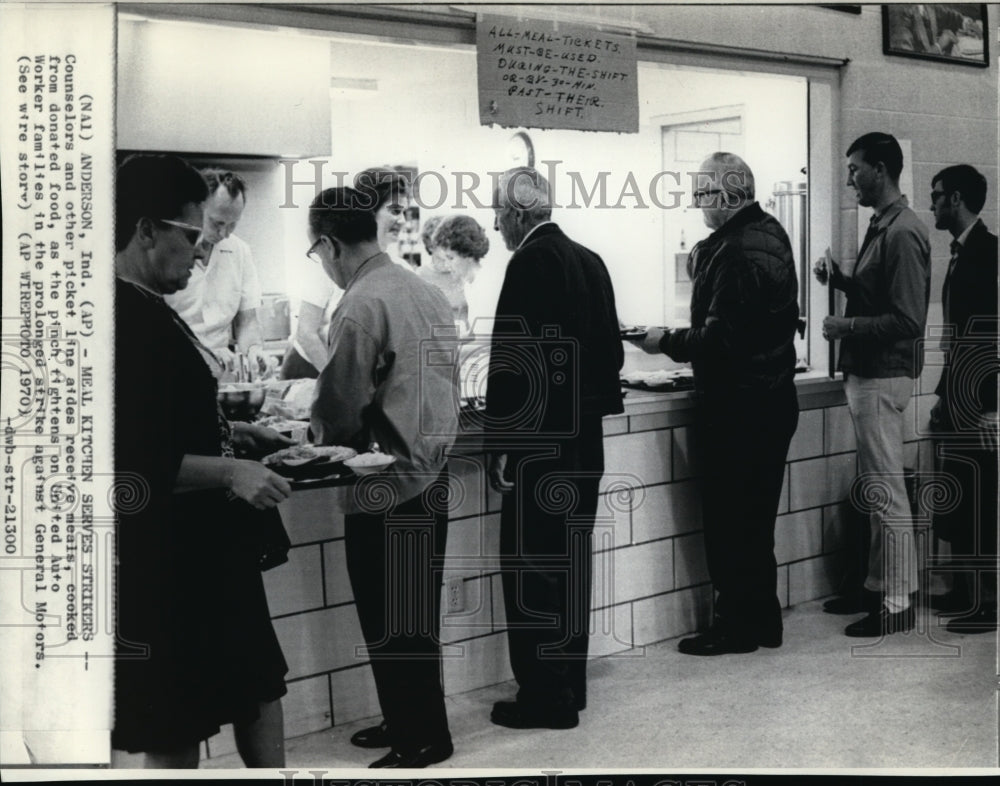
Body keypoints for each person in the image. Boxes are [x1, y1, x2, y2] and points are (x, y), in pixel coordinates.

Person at [113, 154, 293, 768]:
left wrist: (235, 431)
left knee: (255, 683)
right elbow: (127, 462)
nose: (200, 252)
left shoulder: (147, 306)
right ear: (144, 231)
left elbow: (164, 422)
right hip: (168, 558)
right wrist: (231, 472)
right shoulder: (119, 320)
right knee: (176, 713)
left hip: (207, 548)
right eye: (191, 236)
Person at [308, 187, 458, 768]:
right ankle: (408, 719)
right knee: (415, 617)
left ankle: (422, 740)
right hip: (432, 473)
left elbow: (343, 405)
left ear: (329, 243)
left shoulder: (360, 302)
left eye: (317, 254)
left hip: (385, 480)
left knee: (390, 618)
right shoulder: (425, 289)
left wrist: (315, 433)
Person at [634, 152, 800, 655]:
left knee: (730, 523)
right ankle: (763, 621)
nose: (696, 204)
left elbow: (717, 340)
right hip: (771, 399)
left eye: (702, 194)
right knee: (756, 521)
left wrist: (662, 341)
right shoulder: (770, 233)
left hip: (738, 407)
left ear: (727, 197)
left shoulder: (734, 251)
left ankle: (734, 628)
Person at [486, 167, 623, 728]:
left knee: (532, 571)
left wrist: (502, 443)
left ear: (518, 214)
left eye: (498, 216)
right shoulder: (591, 260)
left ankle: (546, 698)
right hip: (584, 443)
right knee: (570, 565)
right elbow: (611, 355)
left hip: (540, 445)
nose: (496, 228)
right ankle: (571, 686)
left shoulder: (528, 262)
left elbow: (513, 364)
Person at [813, 132, 931, 637]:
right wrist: (840, 280)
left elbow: (907, 319)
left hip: (883, 374)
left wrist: (847, 327)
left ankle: (899, 601)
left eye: (855, 169)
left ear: (880, 169)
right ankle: (879, 586)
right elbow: (877, 292)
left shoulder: (903, 231)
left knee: (886, 492)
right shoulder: (882, 225)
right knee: (877, 489)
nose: (849, 179)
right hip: (870, 372)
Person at [927, 164, 998, 634]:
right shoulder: (961, 251)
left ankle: (987, 601)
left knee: (980, 495)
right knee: (957, 492)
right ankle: (962, 587)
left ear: (955, 199)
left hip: (980, 397)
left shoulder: (990, 253)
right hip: (957, 391)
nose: (930, 204)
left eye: (935, 196)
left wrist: (992, 406)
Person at [164, 168, 269, 378]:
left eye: (233, 225)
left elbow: (246, 320)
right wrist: (203, 353)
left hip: (221, 374)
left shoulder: (240, 251)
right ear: (196, 207)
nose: (224, 234)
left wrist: (253, 349)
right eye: (217, 223)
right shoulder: (166, 251)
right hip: (170, 369)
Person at [417, 214, 490, 330]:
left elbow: (484, 338)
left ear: (465, 252)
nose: (447, 264)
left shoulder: (482, 284)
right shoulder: (420, 276)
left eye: (450, 258)